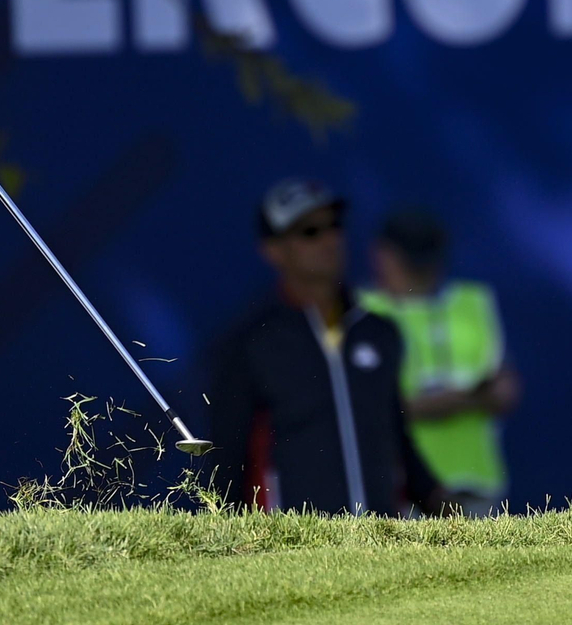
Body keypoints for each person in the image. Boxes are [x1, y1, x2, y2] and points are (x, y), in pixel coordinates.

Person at [207, 179, 444, 516]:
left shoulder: (378, 332)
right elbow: (228, 463)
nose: (329, 241)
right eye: (309, 232)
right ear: (273, 250)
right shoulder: (250, 344)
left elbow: (396, 441)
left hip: (387, 548)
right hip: (295, 555)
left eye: (334, 226)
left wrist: (446, 510)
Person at [360, 209, 518, 516]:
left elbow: (506, 390)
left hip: (475, 486)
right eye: (409, 260)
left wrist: (447, 402)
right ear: (381, 256)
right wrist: (461, 401)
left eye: (424, 258)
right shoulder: (363, 310)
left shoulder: (472, 302)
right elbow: (370, 408)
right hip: (400, 489)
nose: (420, 271)